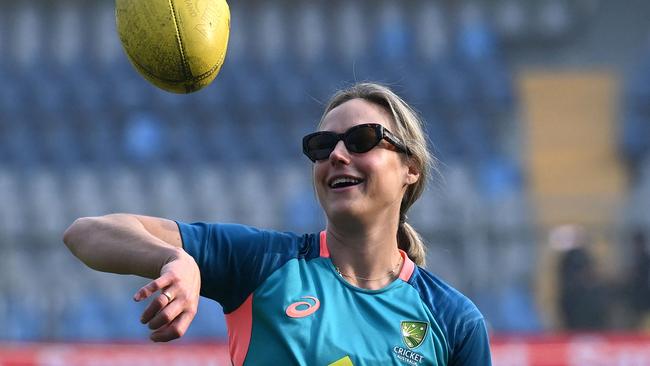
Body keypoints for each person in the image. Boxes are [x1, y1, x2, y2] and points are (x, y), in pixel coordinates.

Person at [63, 83, 492, 365]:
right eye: (322, 146)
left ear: (410, 169)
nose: (337, 155)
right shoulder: (263, 263)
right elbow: (85, 233)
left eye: (361, 140)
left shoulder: (452, 320)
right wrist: (176, 258)